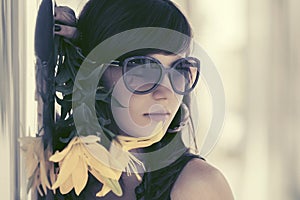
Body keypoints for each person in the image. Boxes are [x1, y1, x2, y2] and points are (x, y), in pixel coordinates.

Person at [27, 0, 234, 199]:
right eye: (142, 67)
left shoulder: (200, 187)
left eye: (179, 69)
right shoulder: (51, 161)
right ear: (92, 70)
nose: (166, 92)